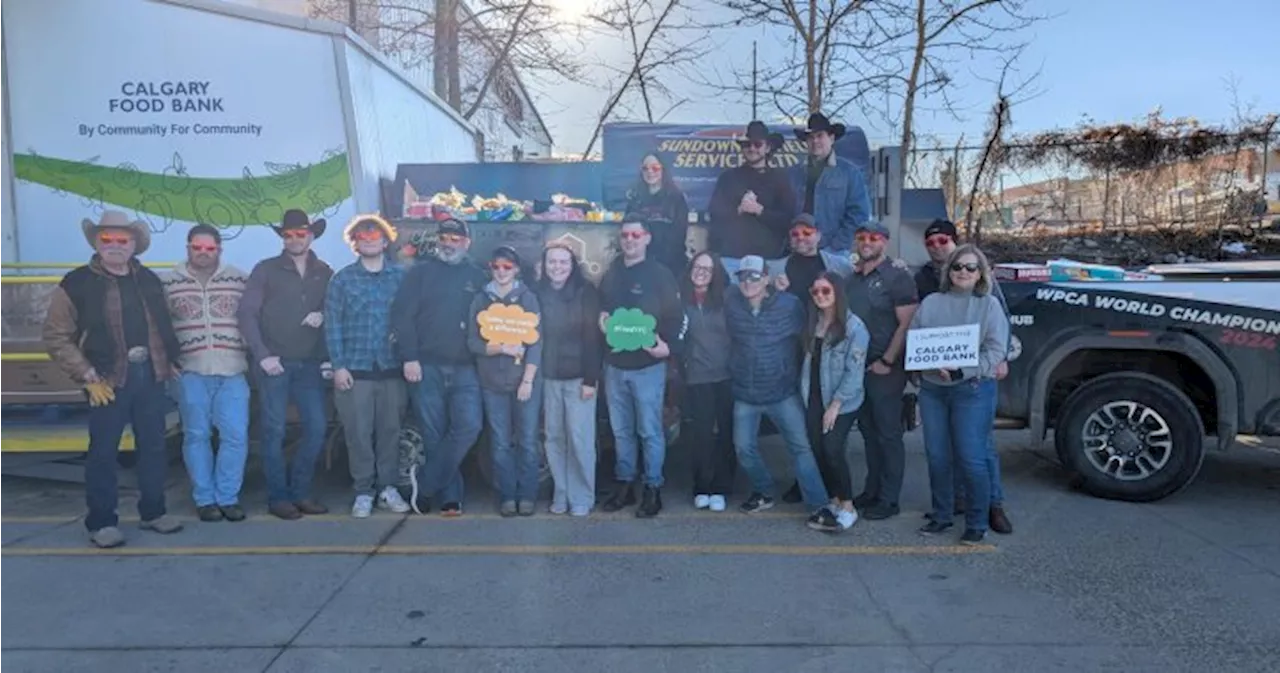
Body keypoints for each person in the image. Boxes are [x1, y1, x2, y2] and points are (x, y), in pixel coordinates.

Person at [43, 211, 183, 548]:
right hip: (105, 380)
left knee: (153, 447)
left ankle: (153, 513)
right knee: (103, 452)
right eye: (108, 240)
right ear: (97, 242)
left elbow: (165, 323)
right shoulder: (75, 283)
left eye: (123, 240)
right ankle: (101, 522)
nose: (115, 246)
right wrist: (87, 375)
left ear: (134, 245)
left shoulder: (149, 279)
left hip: (150, 375)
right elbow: (55, 335)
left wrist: (171, 359)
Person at [914, 219, 1013, 535]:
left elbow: (997, 348)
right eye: (958, 267)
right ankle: (942, 514)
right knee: (937, 457)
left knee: (972, 458)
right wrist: (923, 367)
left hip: (972, 389)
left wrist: (963, 369)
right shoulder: (931, 302)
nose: (963, 272)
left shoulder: (989, 306)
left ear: (980, 272)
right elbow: (917, 338)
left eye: (971, 268)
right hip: (933, 389)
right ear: (949, 270)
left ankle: (978, 522)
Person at [238, 208, 334, 520]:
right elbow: (247, 314)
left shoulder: (324, 271)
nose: (294, 239)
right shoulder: (265, 270)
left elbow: (335, 308)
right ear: (282, 237)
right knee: (274, 430)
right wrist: (262, 355)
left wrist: (324, 315)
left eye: (301, 233)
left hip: (309, 364)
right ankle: (278, 497)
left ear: (311, 235)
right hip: (274, 364)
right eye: (288, 234)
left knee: (318, 428)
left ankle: (301, 492)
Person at [724, 255, 832, 530]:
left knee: (800, 449)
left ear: (767, 278)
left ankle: (819, 507)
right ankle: (763, 491)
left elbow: (814, 327)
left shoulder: (790, 305)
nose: (748, 282)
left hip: (782, 392)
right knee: (744, 449)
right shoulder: (731, 302)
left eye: (754, 276)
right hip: (745, 393)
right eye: (743, 277)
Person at [391, 218, 488, 517]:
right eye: (444, 237)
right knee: (434, 434)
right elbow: (402, 317)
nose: (449, 243)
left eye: (456, 239)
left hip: (465, 367)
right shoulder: (419, 274)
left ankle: (426, 482)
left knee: (469, 427)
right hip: (426, 365)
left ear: (467, 243)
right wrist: (409, 357)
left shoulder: (478, 275)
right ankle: (450, 498)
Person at [161, 224, 250, 523]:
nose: (203, 253)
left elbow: (255, 317)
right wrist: (165, 359)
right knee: (196, 435)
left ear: (219, 249)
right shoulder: (169, 282)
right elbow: (157, 326)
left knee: (235, 436)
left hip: (233, 369)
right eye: (197, 248)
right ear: (187, 247)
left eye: (209, 248)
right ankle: (204, 499)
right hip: (191, 371)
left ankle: (228, 497)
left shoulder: (239, 279)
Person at [325, 214, 412, 519]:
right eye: (363, 237)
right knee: (358, 434)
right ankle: (364, 491)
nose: (370, 240)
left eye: (375, 236)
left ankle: (388, 488)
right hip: (355, 370)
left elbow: (411, 320)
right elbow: (332, 325)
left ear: (386, 241)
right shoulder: (342, 279)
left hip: (391, 370)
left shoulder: (401, 277)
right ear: (355, 243)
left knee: (390, 432)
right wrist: (339, 366)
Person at [597, 220, 684, 518]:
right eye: (625, 235)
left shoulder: (660, 275)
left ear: (647, 238)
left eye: (636, 235)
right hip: (615, 365)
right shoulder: (612, 273)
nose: (630, 240)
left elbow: (676, 318)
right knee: (621, 432)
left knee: (649, 431)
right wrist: (601, 318)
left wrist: (668, 348)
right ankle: (625, 485)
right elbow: (603, 308)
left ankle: (653, 488)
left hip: (647, 367)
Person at [844, 221, 919, 521]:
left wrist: (887, 360)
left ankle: (889, 499)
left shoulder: (897, 277)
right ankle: (871, 491)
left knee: (888, 434)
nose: (866, 242)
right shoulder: (852, 280)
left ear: (884, 242)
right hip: (857, 369)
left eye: (873, 237)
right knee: (868, 433)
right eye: (861, 237)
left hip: (885, 369)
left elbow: (907, 322)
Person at [468, 246, 544, 517]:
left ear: (517, 270)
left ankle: (528, 495)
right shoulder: (481, 300)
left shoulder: (528, 299)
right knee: (499, 443)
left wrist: (528, 380)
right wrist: (501, 348)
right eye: (496, 266)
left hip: (524, 383)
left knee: (527, 440)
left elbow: (536, 343)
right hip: (491, 383)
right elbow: (473, 343)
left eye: (507, 267)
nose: (501, 271)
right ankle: (507, 495)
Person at [799, 272, 870, 533]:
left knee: (833, 449)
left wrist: (836, 405)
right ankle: (834, 500)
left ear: (837, 293)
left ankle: (848, 506)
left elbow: (855, 372)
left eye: (826, 291)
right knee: (817, 449)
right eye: (815, 291)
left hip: (842, 400)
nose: (820, 296)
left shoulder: (855, 328)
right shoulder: (812, 322)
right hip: (814, 396)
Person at [535, 243, 603, 517]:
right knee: (554, 438)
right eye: (552, 262)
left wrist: (591, 378)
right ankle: (561, 494)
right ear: (544, 264)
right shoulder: (537, 293)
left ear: (573, 265)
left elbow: (593, 338)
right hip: (549, 378)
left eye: (564, 262)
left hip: (579, 378)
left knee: (580, 440)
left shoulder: (586, 293)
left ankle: (582, 496)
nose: (558, 267)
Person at [679, 251, 735, 513]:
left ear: (716, 275)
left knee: (725, 433)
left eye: (708, 269)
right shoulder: (680, 299)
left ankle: (721, 487)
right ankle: (701, 486)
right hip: (697, 377)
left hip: (726, 375)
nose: (701, 272)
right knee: (700, 434)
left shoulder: (727, 299)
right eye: (698, 266)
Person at [707, 120, 796, 275]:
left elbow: (788, 219)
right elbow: (714, 214)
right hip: (732, 259)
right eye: (747, 144)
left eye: (757, 144)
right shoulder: (728, 178)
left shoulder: (781, 179)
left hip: (770, 260)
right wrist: (738, 210)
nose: (752, 148)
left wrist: (760, 210)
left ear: (767, 147)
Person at [789, 112, 872, 256]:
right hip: (798, 250)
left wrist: (836, 246)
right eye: (810, 137)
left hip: (833, 252)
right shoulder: (795, 173)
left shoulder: (849, 172)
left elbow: (859, 214)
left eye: (820, 135)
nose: (815, 141)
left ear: (831, 138)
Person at [624, 153, 690, 272]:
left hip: (671, 265)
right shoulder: (635, 198)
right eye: (645, 168)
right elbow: (627, 228)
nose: (650, 172)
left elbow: (679, 235)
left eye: (655, 168)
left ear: (663, 169)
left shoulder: (676, 198)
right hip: (640, 263)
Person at [774, 213, 854, 301]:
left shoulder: (839, 264)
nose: (800, 237)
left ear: (818, 236)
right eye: (795, 234)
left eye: (807, 233)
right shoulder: (778, 269)